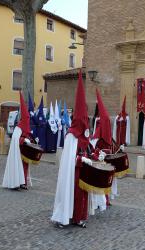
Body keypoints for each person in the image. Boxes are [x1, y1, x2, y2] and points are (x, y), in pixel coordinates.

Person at [51, 70, 98, 229]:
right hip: (73, 173)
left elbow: (89, 150)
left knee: (82, 196)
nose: (85, 122)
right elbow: (69, 159)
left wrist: (95, 155)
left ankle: (78, 217)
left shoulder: (85, 135)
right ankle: (63, 216)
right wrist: (80, 159)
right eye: (83, 119)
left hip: (83, 172)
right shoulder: (71, 136)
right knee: (69, 193)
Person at [3, 93, 39, 190]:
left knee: (25, 166)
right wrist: (24, 140)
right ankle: (16, 182)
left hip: (24, 150)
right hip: (18, 151)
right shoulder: (19, 127)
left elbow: (27, 135)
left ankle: (23, 182)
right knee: (18, 166)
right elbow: (16, 139)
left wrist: (30, 140)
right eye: (26, 118)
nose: (28, 119)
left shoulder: (25, 125)